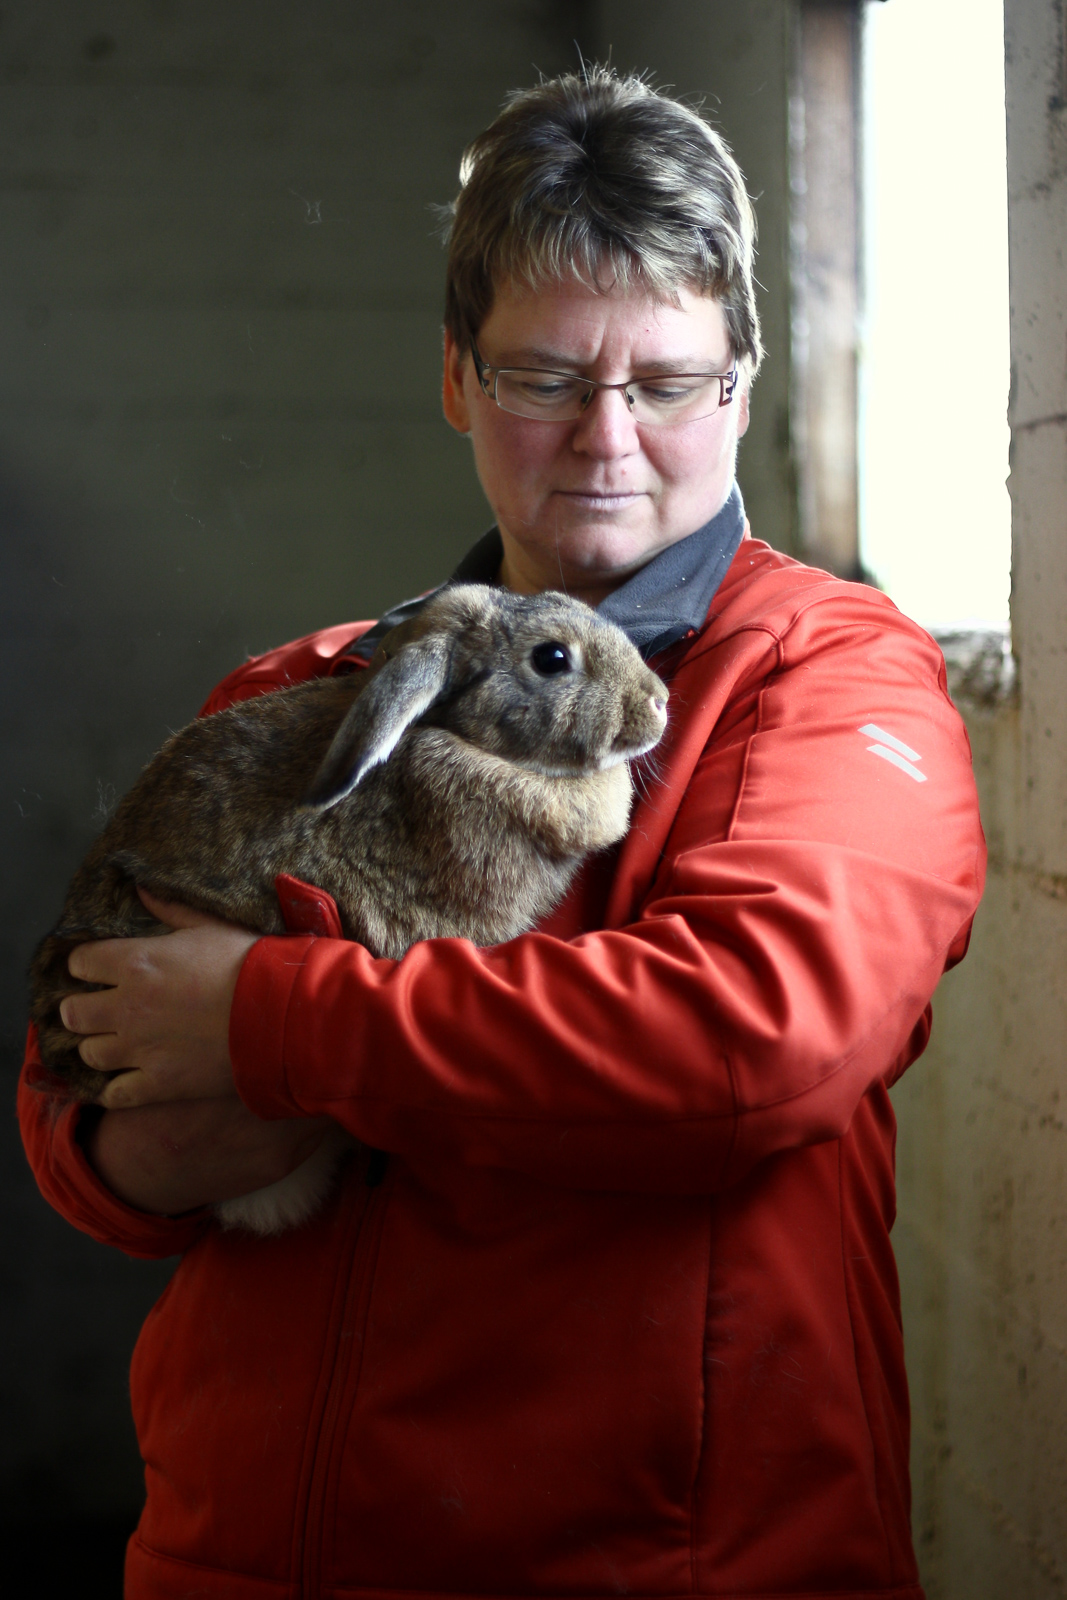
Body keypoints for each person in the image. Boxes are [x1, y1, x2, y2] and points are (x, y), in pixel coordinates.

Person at [20, 67, 984, 1600]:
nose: (607, 439)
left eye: (664, 381)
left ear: (742, 382)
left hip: (653, 1564)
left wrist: (269, 1022)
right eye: (544, 377)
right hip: (242, 1557)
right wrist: (154, 1117)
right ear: (460, 378)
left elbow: (756, 1038)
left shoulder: (827, 675)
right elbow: (82, 1129)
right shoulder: (306, 692)